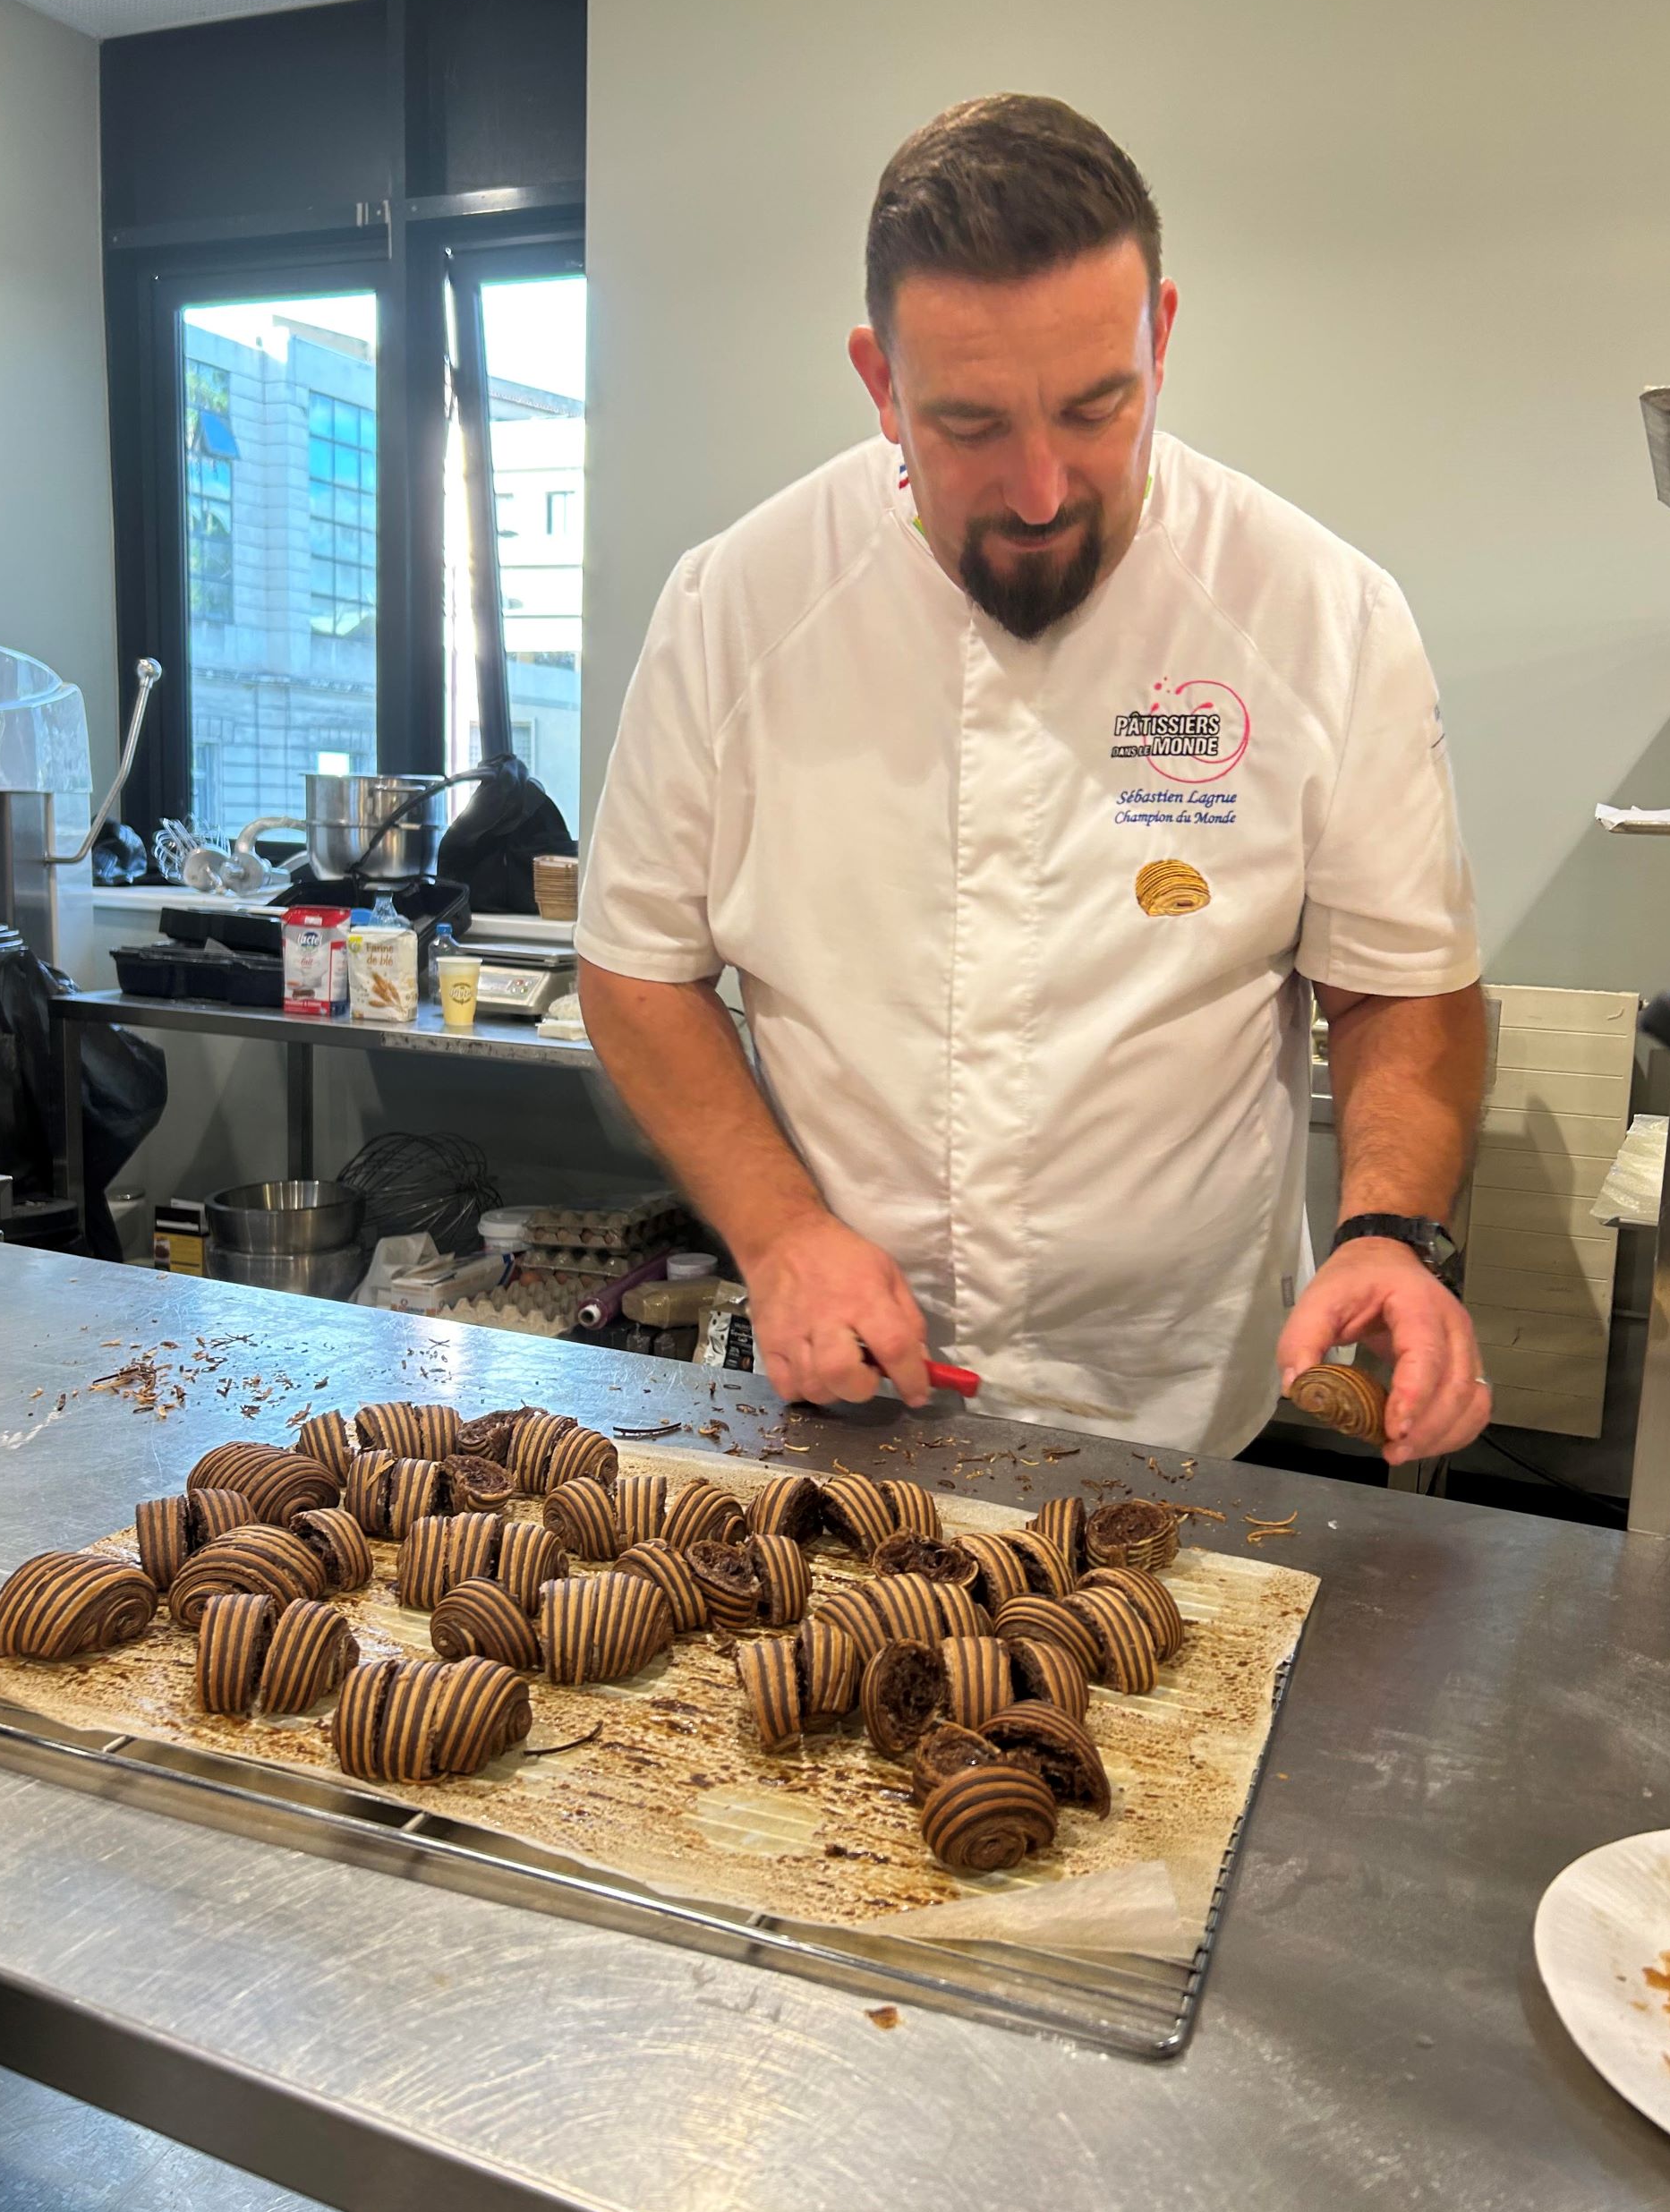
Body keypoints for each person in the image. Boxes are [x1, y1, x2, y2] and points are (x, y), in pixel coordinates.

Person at [575, 93, 1491, 1465]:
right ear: (880, 382)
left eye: (1094, 407)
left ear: (1160, 337)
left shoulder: (1323, 616)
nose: (1044, 489)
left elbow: (1400, 986)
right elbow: (637, 967)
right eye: (970, 426)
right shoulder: (736, 608)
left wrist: (1392, 1230)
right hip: (856, 1397)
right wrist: (778, 1234)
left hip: (1193, 1410)